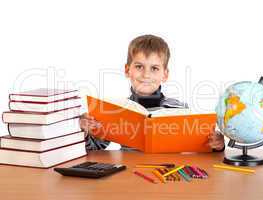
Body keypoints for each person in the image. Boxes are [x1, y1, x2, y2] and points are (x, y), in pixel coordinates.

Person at [80, 34, 225, 152]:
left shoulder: (180, 109)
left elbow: (202, 147)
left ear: (165, 75)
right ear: (127, 70)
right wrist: (85, 129)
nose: (146, 75)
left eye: (154, 68)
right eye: (139, 66)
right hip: (130, 176)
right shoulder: (116, 110)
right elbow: (93, 149)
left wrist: (218, 143)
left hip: (169, 176)